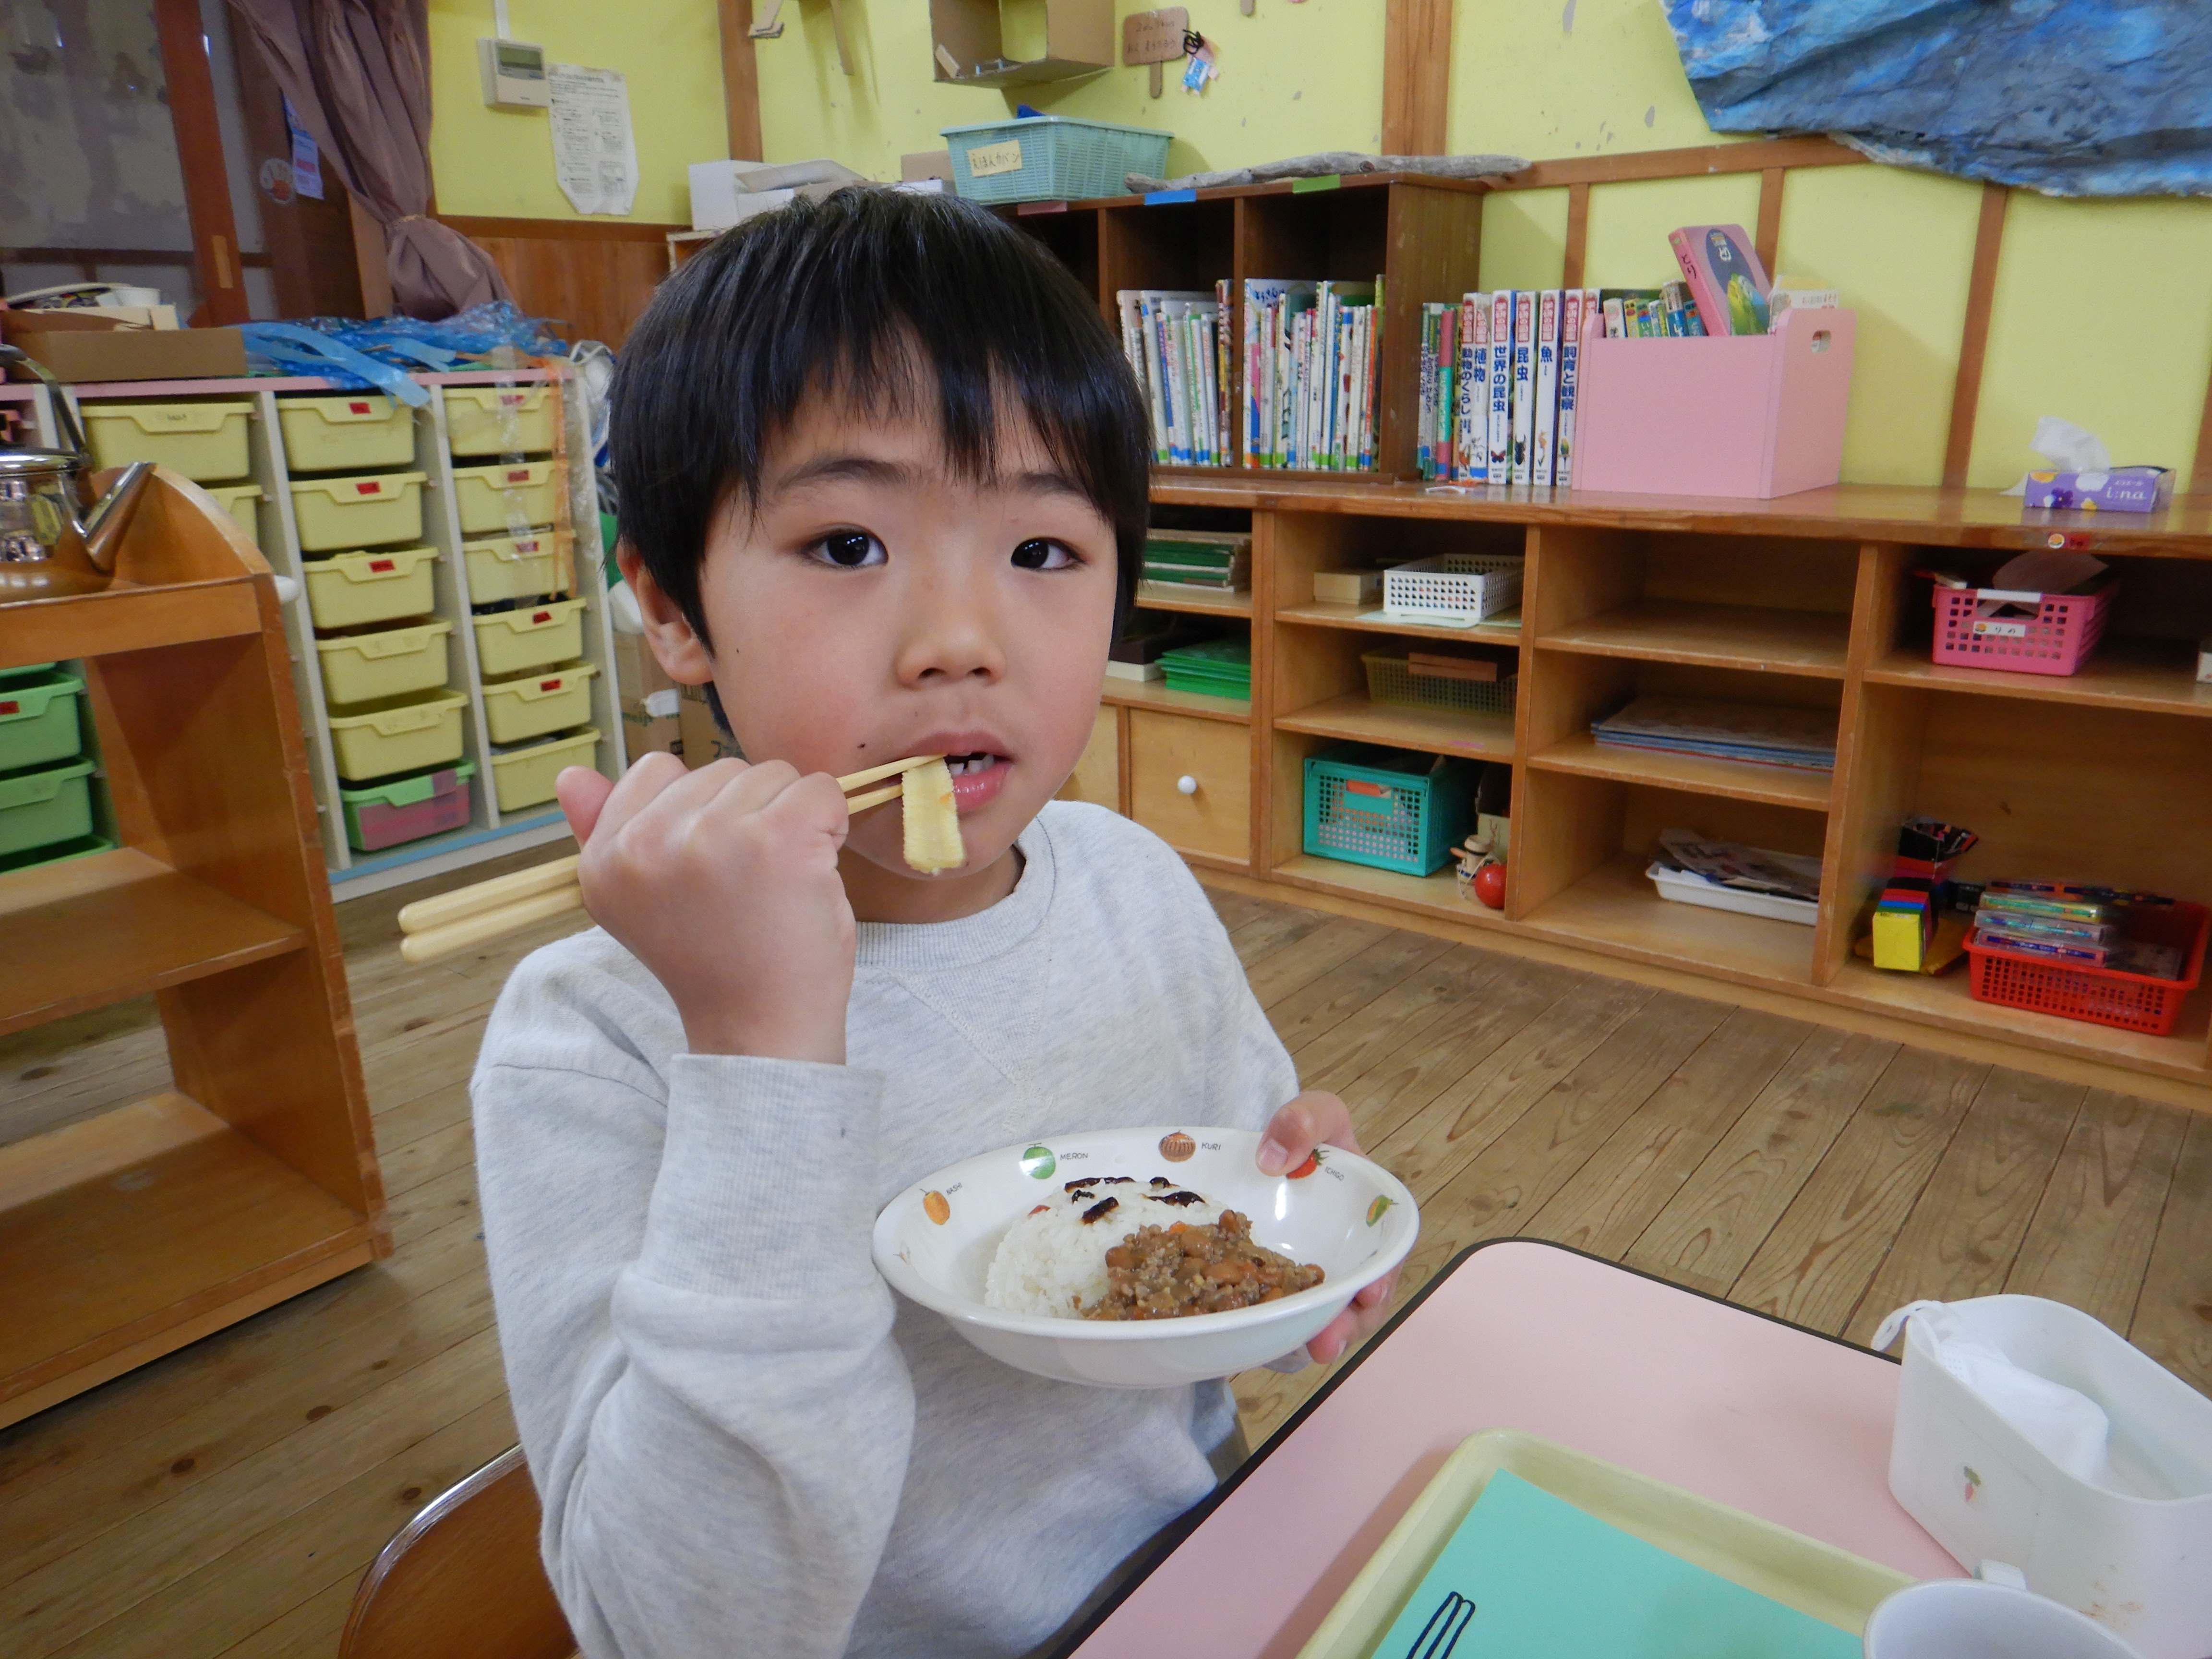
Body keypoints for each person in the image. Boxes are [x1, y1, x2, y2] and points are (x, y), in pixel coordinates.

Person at [472, 186, 1397, 1659]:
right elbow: (679, 1630)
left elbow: (1212, 1228)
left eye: (1042, 552)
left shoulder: (1133, 884)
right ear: (674, 609)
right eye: (849, 545)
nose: (961, 643)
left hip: (1196, 1578)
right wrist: (759, 1048)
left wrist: (1296, 1242)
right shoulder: (596, 1035)